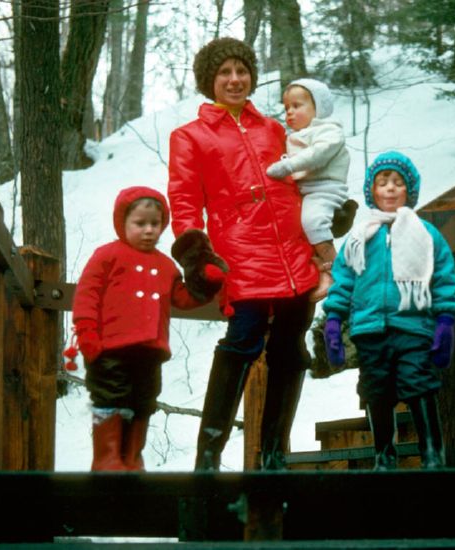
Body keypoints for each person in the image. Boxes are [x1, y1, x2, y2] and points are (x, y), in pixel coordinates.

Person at [168, 37, 319, 471]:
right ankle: (208, 458)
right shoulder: (190, 137)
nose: (235, 80)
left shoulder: (274, 129)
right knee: (242, 343)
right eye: (224, 73)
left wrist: (323, 220)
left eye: (241, 71)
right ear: (209, 81)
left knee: (290, 349)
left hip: (292, 249)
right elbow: (182, 199)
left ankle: (272, 454)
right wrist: (194, 252)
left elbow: (303, 178)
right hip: (240, 251)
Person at [322, 151, 455, 470]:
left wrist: (445, 321)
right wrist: (333, 319)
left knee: (418, 383)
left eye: (398, 183)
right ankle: (384, 453)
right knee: (376, 390)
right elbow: (343, 280)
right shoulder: (359, 238)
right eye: (382, 182)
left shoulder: (426, 236)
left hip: (413, 328)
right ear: (371, 190)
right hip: (370, 329)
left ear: (409, 192)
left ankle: (432, 453)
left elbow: (443, 278)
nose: (389, 188)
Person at [70, 186, 225, 471]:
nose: (148, 230)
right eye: (140, 224)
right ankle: (107, 458)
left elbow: (182, 298)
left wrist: (207, 282)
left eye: (155, 224)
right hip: (110, 348)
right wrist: (87, 333)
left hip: (150, 351)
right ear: (122, 222)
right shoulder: (107, 255)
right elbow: (87, 295)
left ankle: (131, 458)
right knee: (110, 397)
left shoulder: (166, 265)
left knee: (143, 401)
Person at [266, 78, 357, 302]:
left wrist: (287, 166)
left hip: (325, 188)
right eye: (287, 108)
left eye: (297, 106)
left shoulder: (329, 131)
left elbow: (317, 155)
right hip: (306, 192)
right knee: (298, 231)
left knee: (313, 222)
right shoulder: (294, 136)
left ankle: (336, 269)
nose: (289, 112)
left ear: (318, 108)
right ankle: (321, 271)